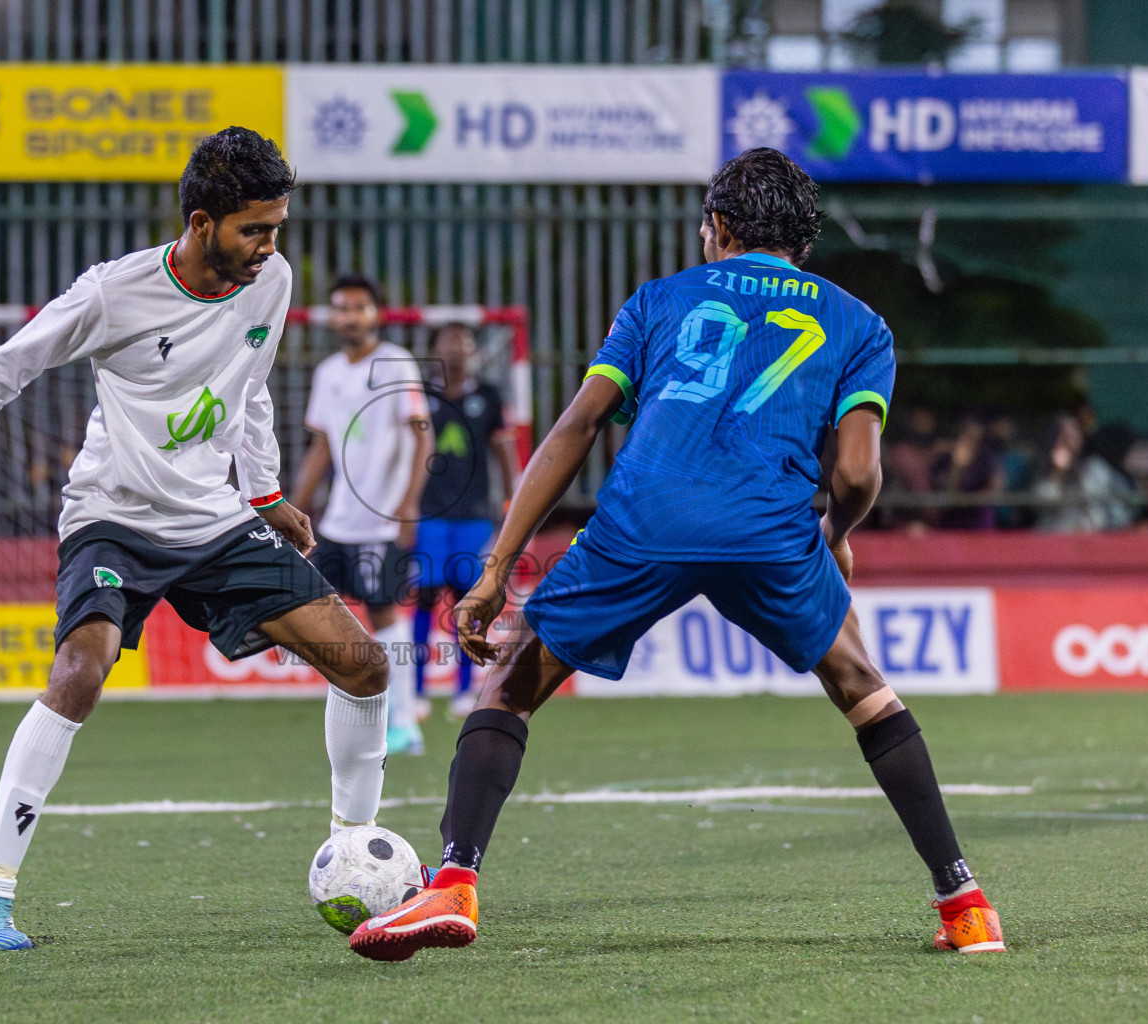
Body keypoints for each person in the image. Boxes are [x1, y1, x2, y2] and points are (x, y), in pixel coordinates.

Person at [349, 148, 1005, 962]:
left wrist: (494, 572)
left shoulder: (658, 301)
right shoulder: (860, 324)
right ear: (802, 239)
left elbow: (574, 430)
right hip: (770, 530)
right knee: (864, 689)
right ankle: (963, 901)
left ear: (719, 228)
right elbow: (860, 472)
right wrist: (832, 537)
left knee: (510, 683)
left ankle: (452, 881)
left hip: (644, 520)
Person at [0, 128, 392, 950]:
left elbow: (249, 388)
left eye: (277, 228)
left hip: (214, 519)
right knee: (81, 668)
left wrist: (266, 493)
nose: (269, 246)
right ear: (200, 220)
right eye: (254, 228)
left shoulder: (271, 281)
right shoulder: (114, 293)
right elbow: (8, 365)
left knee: (364, 664)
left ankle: (354, 856)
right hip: (113, 515)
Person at [293, 274, 434, 756]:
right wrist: (292, 505)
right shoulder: (329, 371)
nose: (349, 317)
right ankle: (358, 707)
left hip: (382, 519)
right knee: (309, 605)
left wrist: (408, 504)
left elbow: (423, 435)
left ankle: (407, 723)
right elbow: (322, 445)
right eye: (341, 308)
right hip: (337, 521)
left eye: (359, 308)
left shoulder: (395, 362)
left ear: (377, 313)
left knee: (385, 614)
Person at [412, 323, 519, 719]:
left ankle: (463, 687)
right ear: (437, 348)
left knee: (466, 601)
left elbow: (503, 452)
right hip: (428, 514)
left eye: (463, 343)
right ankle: (418, 690)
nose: (456, 350)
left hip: (474, 517)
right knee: (423, 598)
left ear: (474, 351)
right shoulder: (421, 395)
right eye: (448, 342)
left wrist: (514, 502)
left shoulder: (488, 397)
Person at [1033, 414, 1135, 532]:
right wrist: (1057, 473)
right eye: (1064, 435)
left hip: (1089, 539)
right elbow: (1042, 505)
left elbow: (1103, 508)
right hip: (1054, 537)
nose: (1070, 439)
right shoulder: (1045, 467)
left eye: (1074, 432)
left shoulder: (1095, 467)